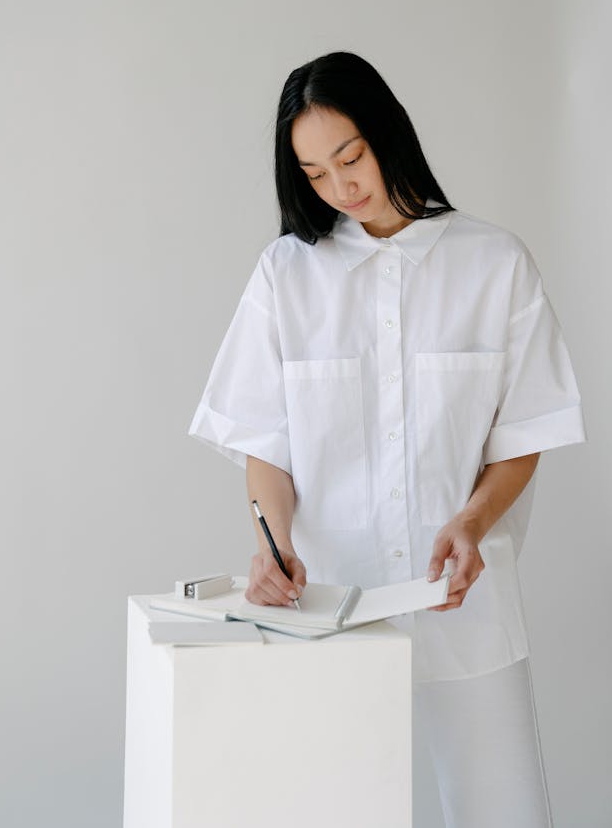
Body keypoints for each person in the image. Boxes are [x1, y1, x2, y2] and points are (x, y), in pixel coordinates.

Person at [187, 51, 586, 828]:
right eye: (314, 172)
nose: (340, 187)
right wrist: (271, 542)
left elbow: (524, 430)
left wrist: (470, 522)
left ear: (387, 133)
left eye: (350, 156)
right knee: (330, 810)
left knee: (501, 813)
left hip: (462, 603)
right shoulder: (285, 275)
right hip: (332, 606)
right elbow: (265, 441)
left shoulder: (493, 262)